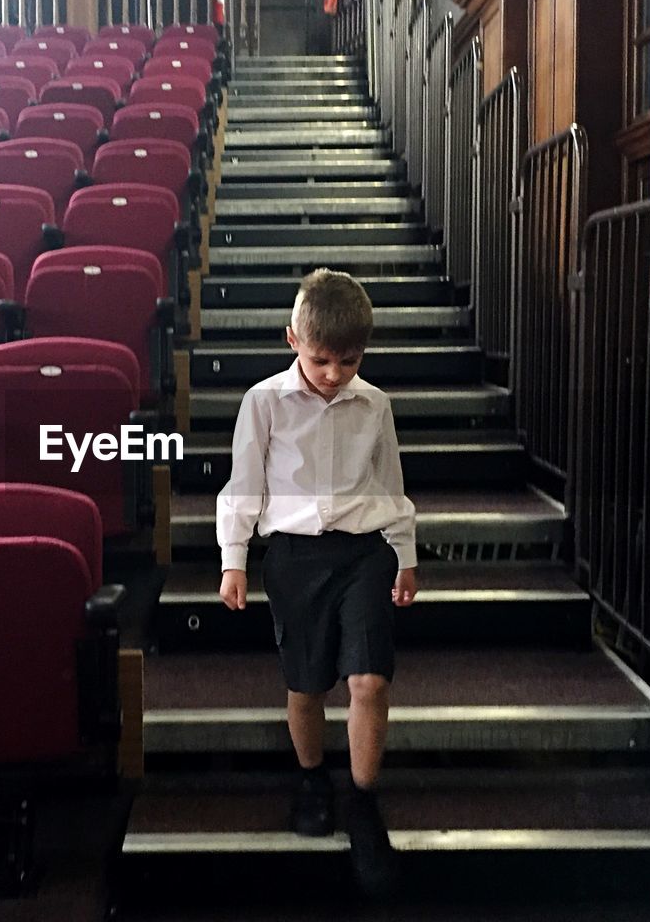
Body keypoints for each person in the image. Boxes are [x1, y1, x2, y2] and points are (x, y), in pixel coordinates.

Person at [216, 268, 418, 898]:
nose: (334, 373)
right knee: (307, 684)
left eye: (348, 361)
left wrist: (405, 551)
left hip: (364, 553)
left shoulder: (375, 403)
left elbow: (391, 485)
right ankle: (311, 777)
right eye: (322, 359)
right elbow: (244, 485)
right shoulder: (263, 402)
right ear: (292, 340)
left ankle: (362, 799)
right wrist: (234, 557)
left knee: (369, 678)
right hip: (294, 558)